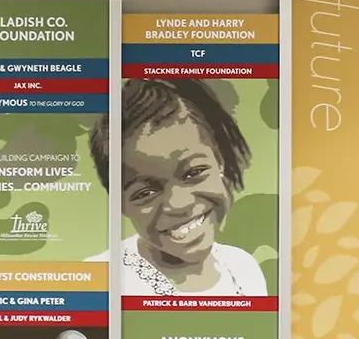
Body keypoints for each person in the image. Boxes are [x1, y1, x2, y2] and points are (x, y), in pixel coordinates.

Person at [88, 79, 267, 296]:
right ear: (120, 204)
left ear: (219, 161)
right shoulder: (101, 281)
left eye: (194, 172)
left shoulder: (243, 269)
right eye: (145, 193)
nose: (178, 204)